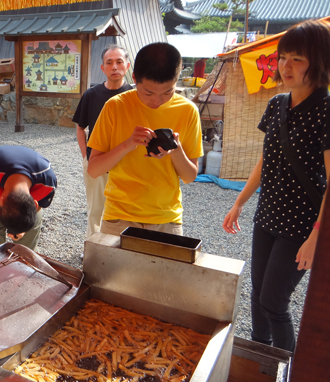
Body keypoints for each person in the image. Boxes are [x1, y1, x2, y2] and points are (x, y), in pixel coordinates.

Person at [223, 20, 330, 352]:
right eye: (284, 57)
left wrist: (317, 236)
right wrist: (240, 202)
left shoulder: (326, 110)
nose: (286, 66)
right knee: (257, 296)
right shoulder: (277, 104)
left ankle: (286, 374)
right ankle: (260, 360)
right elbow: (266, 159)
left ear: (319, 61)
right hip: (268, 215)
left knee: (273, 301)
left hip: (302, 224)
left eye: (297, 58)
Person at [87, 42, 202, 237]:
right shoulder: (115, 107)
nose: (157, 101)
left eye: (168, 92)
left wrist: (176, 149)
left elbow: (190, 176)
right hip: (118, 217)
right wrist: (128, 144)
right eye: (148, 93)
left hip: (166, 219)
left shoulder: (188, 111)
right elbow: (94, 169)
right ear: (134, 78)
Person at [72, 44, 132, 240]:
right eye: (109, 62)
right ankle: (92, 247)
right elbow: (80, 126)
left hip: (126, 163)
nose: (114, 67)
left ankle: (117, 247)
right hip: (96, 161)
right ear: (102, 68)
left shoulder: (134, 97)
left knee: (124, 210)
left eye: (119, 62)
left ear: (127, 66)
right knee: (95, 209)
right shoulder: (92, 95)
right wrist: (85, 154)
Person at [0, 146, 57, 251]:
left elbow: (42, 204)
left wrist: (23, 229)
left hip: (25, 211)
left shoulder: (48, 181)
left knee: (26, 251)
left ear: (35, 204)